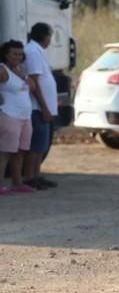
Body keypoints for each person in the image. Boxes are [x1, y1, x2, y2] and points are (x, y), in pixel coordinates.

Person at [24, 22, 58, 190]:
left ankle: (36, 175)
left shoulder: (37, 51)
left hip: (43, 107)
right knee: (36, 144)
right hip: (37, 107)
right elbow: (34, 82)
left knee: (41, 145)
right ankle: (30, 176)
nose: (50, 40)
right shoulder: (32, 52)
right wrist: (44, 107)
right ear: (45, 36)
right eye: (49, 36)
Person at [0, 40, 35, 194]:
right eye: (14, 53)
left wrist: (23, 75)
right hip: (9, 114)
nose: (18, 57)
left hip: (25, 117)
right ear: (6, 55)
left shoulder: (20, 69)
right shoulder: (2, 69)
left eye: (20, 54)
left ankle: (17, 182)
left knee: (21, 151)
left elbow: (33, 87)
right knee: (6, 151)